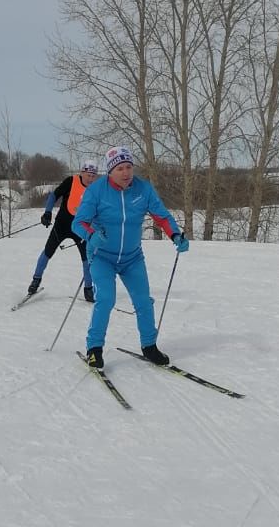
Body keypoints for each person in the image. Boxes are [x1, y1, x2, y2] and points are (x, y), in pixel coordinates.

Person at [72, 146, 189, 370]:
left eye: (129, 167)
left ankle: (149, 346)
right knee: (105, 299)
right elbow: (78, 223)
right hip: (101, 256)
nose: (126, 173)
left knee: (144, 301)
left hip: (132, 257)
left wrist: (175, 234)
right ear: (110, 171)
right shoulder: (97, 190)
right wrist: (92, 236)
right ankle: (94, 349)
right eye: (120, 169)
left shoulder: (143, 189)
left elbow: (161, 216)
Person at [27, 161, 100, 301]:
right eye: (88, 175)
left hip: (81, 228)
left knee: (87, 258)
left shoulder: (96, 189)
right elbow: (54, 195)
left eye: (93, 176)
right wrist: (47, 212)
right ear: (82, 172)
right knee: (48, 252)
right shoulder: (71, 181)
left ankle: (88, 289)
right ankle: (35, 281)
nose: (90, 178)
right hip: (61, 225)